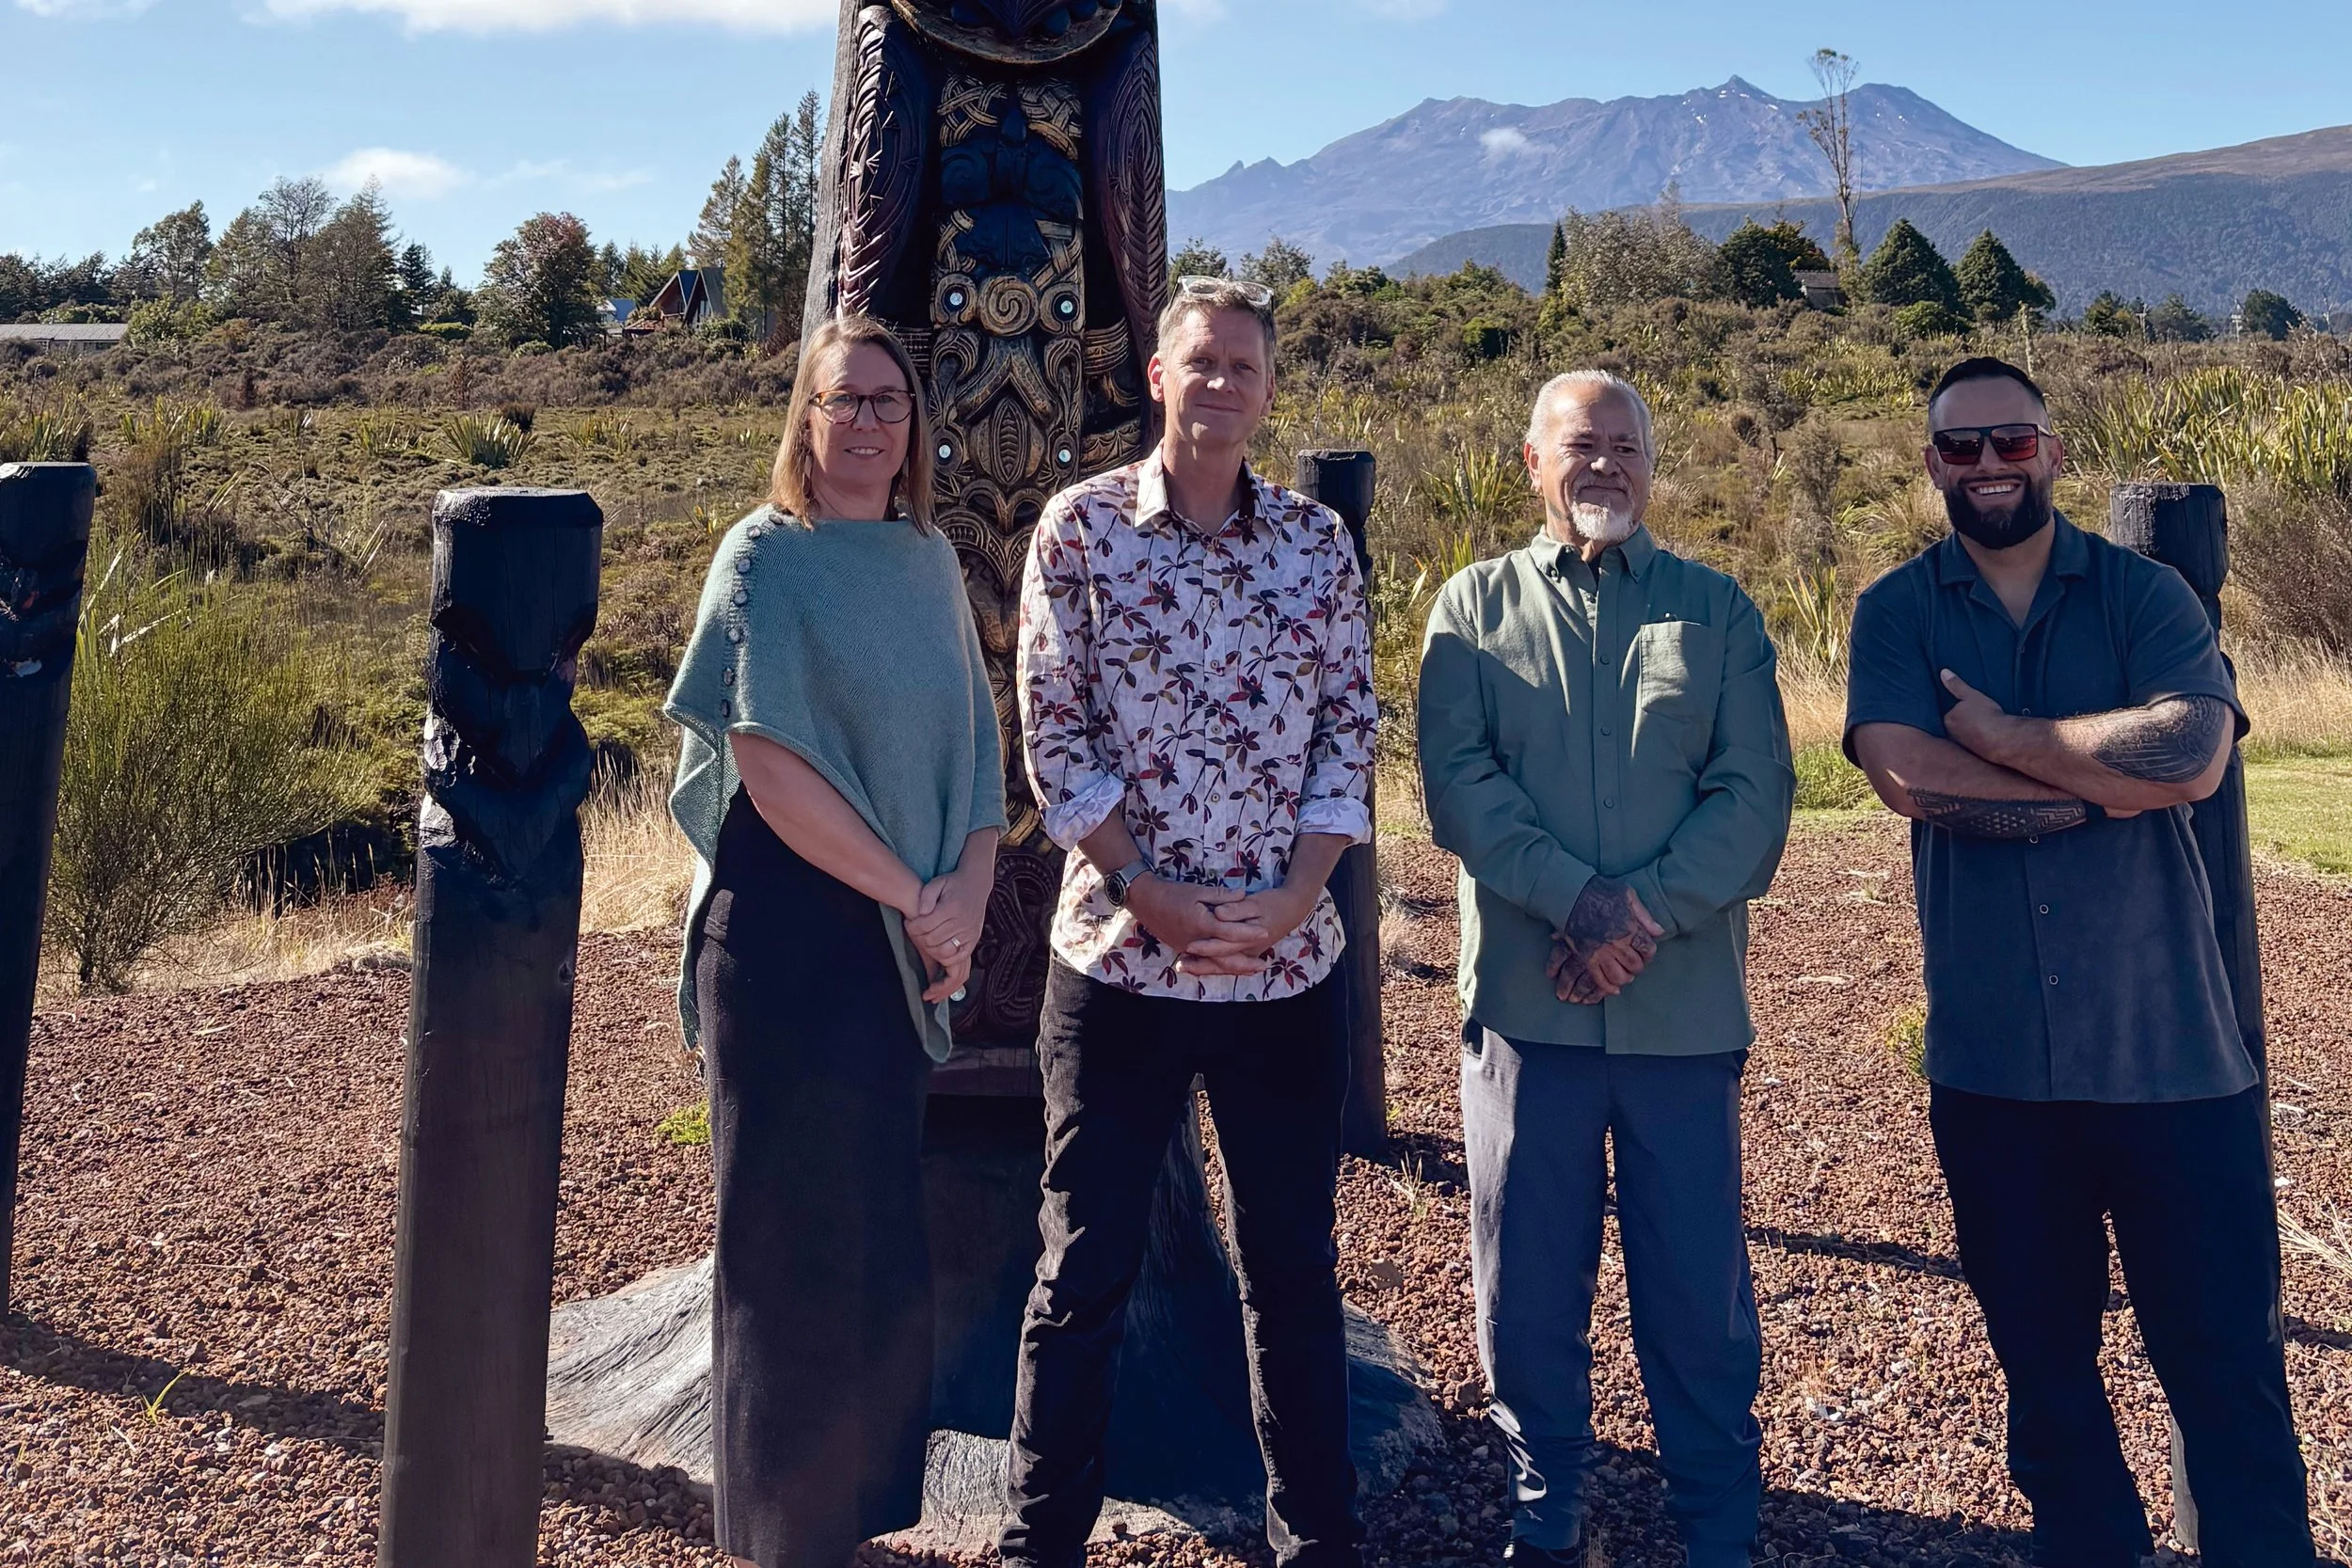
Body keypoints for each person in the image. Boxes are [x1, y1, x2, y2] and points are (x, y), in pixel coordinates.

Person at [1845, 356, 2312, 1568]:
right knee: (2045, 1378)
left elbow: (2192, 751)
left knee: (2226, 1374)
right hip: (1995, 1066)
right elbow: (1905, 773)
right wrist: (2099, 787)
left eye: (2011, 440)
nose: (1988, 464)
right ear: (1932, 463)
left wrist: (2006, 738)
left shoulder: (2144, 593)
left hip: (2172, 1057)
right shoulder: (1897, 609)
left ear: (2050, 450)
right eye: (1961, 446)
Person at [1000, 277, 1377, 1568]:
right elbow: (1056, 733)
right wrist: (1145, 888)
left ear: (1268, 389)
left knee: (1294, 1271)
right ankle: (1040, 1541)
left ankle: (1315, 1539)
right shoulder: (1081, 528)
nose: (1221, 382)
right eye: (1200, 361)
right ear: (1157, 376)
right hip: (1122, 962)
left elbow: (1349, 731)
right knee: (1082, 1269)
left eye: (1243, 366)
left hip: (1284, 969)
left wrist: (1300, 893)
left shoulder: (1316, 544)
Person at [1416, 371, 1795, 1568]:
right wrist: (1576, 902)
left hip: (1682, 1012)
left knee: (1696, 1292)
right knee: (1527, 1287)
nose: (1605, 466)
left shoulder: (1715, 611)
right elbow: (1459, 786)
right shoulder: (1471, 608)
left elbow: (1753, 795)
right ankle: (1546, 1517)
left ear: (1651, 462)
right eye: (1581, 444)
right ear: (1532, 461)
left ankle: (1716, 1529)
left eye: (1626, 445)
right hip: (1527, 1013)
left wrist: (1636, 915)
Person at [663, 314, 1008, 1568]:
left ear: (915, 426)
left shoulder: (927, 559)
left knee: (872, 1239)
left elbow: (978, 748)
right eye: (842, 398)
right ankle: (779, 1537)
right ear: (803, 420)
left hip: (898, 939)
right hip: (788, 937)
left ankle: (849, 1520)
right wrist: (916, 893)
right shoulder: (764, 557)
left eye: (887, 401)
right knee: (784, 1246)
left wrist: (966, 891)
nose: (866, 420)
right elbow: (766, 763)